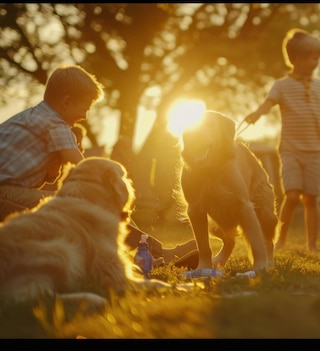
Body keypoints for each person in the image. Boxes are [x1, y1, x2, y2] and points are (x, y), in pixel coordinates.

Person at [0, 64, 197, 267]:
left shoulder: (31, 117)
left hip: (8, 192)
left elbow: (50, 174)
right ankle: (149, 253)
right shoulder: (55, 125)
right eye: (84, 109)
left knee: (82, 204)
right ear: (66, 102)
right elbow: (88, 174)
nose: (85, 116)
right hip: (4, 194)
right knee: (91, 203)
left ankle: (147, 252)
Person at [245, 28, 320, 253]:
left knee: (311, 198)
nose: (316, 62)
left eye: (318, 58)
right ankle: (278, 241)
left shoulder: (319, 87)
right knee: (292, 195)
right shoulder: (282, 86)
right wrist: (256, 114)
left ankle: (312, 246)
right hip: (290, 150)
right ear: (298, 59)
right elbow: (268, 103)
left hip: (314, 151)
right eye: (314, 57)